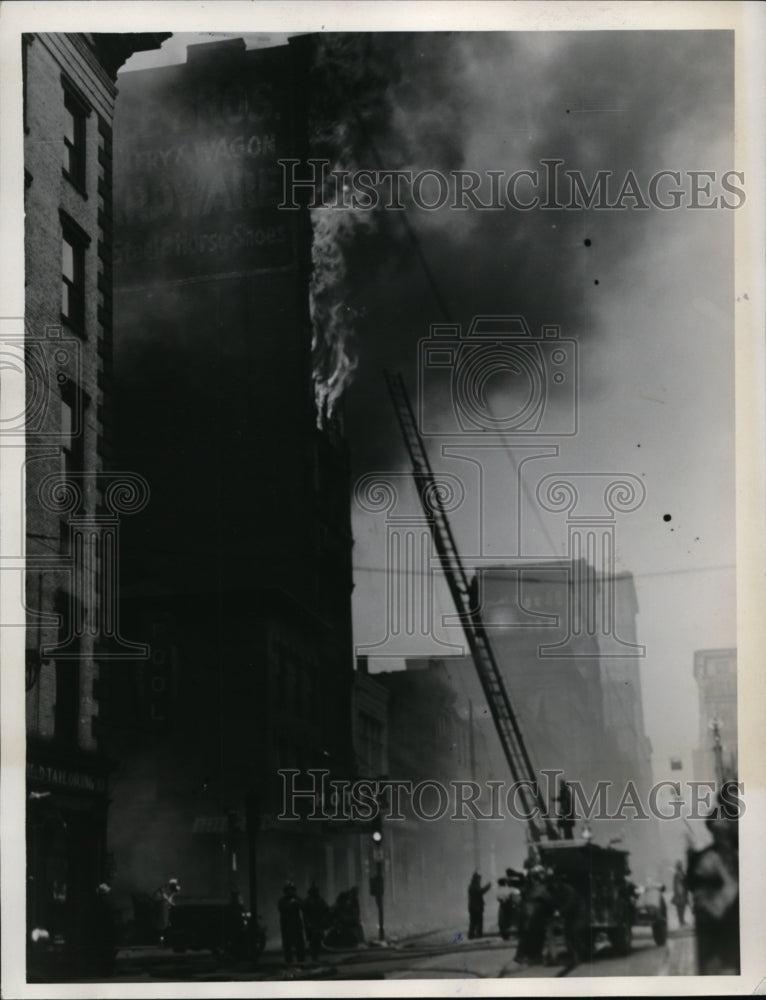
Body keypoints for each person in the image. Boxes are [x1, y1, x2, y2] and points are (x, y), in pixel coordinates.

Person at [687, 781, 740, 974]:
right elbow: (709, 911)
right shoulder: (707, 863)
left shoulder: (742, 854)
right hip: (724, 956)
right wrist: (730, 888)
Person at [278, 881, 306, 963]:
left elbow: (303, 906)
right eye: (289, 890)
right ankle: (289, 963)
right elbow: (283, 908)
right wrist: (292, 904)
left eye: (292, 890)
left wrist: (296, 900)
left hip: (296, 925)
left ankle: (301, 961)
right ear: (285, 891)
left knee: (300, 946)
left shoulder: (297, 898)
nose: (291, 891)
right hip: (287, 926)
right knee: (287, 947)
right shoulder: (282, 900)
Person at [302, 882, 330, 961]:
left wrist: (324, 919)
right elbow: (305, 913)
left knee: (317, 941)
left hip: (319, 923)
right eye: (314, 891)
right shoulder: (307, 901)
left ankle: (316, 956)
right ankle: (314, 957)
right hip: (311, 924)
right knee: (312, 941)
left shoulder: (320, 900)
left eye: (316, 891)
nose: (316, 893)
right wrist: (308, 923)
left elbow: (326, 909)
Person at [467, 872, 491, 939]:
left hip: (475, 907)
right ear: (476, 879)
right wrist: (488, 886)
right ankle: (476, 935)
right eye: (479, 879)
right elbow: (480, 891)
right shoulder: (474, 886)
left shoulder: (473, 885)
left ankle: (473, 935)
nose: (480, 880)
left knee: (475, 922)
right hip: (476, 907)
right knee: (476, 922)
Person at [671, 860, 688, 926]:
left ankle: (682, 920)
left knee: (682, 907)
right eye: (679, 866)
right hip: (680, 894)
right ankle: (681, 921)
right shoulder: (678, 874)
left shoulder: (682, 874)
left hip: (682, 893)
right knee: (680, 908)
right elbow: (677, 885)